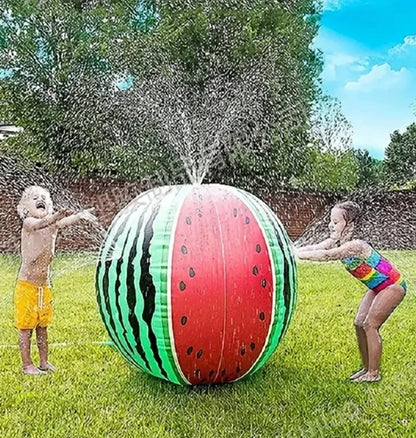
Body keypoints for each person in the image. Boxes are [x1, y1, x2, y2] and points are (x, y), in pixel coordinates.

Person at [294, 201, 406, 383]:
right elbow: (317, 248)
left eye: (336, 222)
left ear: (350, 225)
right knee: (359, 323)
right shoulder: (335, 241)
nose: (331, 225)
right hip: (377, 287)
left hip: (392, 286)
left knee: (370, 325)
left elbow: (326, 255)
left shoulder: (356, 246)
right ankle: (366, 368)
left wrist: (296, 255)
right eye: (331, 221)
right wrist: (293, 250)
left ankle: (374, 373)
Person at [15, 185, 96, 375]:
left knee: (42, 327)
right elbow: (39, 225)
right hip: (27, 286)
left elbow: (65, 221)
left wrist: (81, 215)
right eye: (34, 198)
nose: (40, 199)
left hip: (45, 287)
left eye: (44, 197)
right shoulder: (29, 222)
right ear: (25, 208)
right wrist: (56, 216)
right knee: (26, 328)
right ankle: (27, 365)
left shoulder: (53, 224)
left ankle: (44, 362)